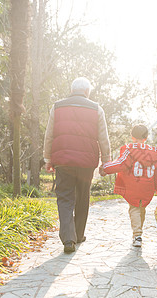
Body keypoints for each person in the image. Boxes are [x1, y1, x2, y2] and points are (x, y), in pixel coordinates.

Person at [43, 77, 111, 254]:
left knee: (64, 198)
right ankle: (79, 234)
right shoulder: (96, 109)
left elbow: (49, 135)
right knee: (82, 197)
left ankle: (68, 238)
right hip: (86, 161)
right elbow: (103, 138)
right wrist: (106, 161)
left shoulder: (57, 106)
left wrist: (47, 158)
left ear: (72, 90)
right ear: (87, 91)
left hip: (63, 160)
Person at [100, 124, 157, 247]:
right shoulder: (154, 153)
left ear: (132, 136)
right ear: (146, 137)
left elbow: (120, 164)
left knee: (134, 207)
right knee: (141, 208)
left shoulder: (129, 149)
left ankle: (137, 235)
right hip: (147, 187)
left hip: (133, 186)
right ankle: (138, 234)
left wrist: (105, 168)